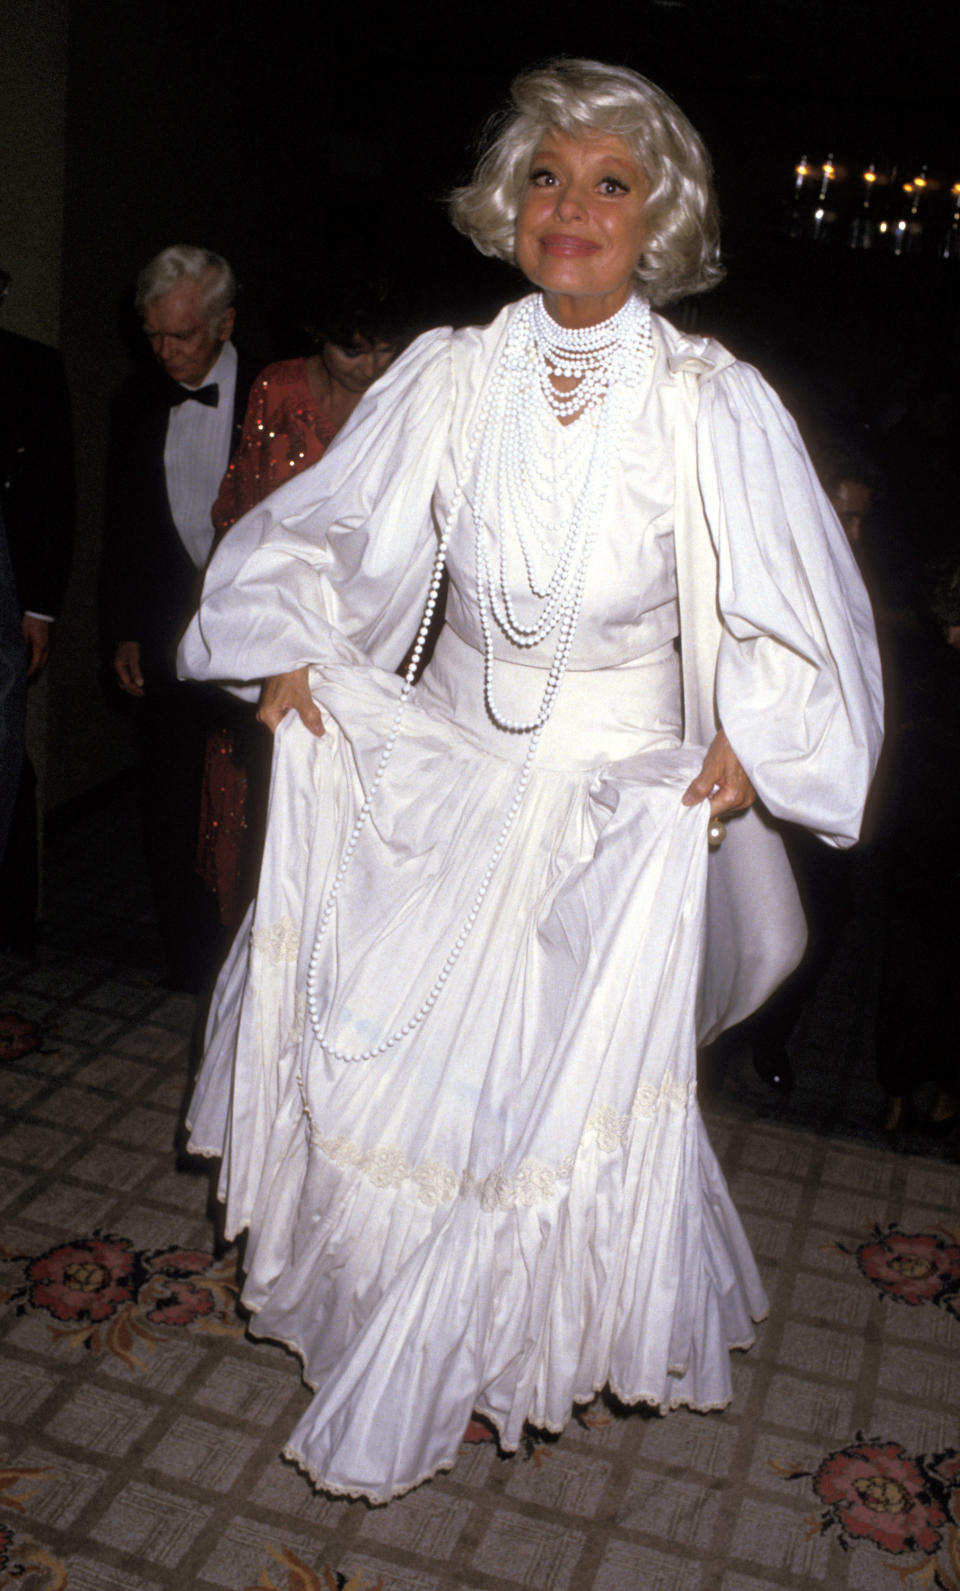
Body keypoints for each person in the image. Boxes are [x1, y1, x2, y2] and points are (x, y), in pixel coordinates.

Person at [179, 60, 882, 1502]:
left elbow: (792, 604)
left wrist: (760, 732)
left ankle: (482, 1355)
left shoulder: (708, 401)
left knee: (536, 1109)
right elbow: (333, 532)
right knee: (411, 1081)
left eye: (611, 184)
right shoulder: (449, 373)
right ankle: (400, 1336)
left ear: (658, 219)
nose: (574, 208)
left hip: (615, 802)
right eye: (548, 177)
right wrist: (297, 649)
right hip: (440, 777)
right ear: (511, 201)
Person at [197, 271, 409, 929]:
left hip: (375, 634)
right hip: (282, 628)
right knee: (267, 806)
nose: (371, 368)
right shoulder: (278, 390)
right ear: (320, 337)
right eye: (353, 350)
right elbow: (246, 518)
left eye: (384, 350)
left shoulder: (405, 397)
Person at [103, 244, 259, 988]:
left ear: (224, 324)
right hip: (166, 635)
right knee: (168, 802)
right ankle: (191, 967)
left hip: (258, 637)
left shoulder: (274, 390)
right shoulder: (137, 400)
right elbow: (125, 525)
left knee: (255, 796)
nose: (164, 353)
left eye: (182, 336)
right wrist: (125, 628)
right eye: (153, 334)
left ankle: (252, 962)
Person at [0, 269, 76, 950]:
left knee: (3, 762)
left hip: (5, 594)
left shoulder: (29, 367)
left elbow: (52, 491)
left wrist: (41, 609)